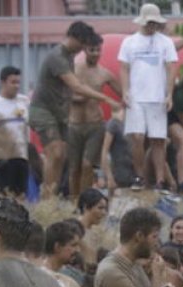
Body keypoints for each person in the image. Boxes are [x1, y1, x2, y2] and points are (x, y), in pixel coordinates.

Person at [29, 21, 121, 199]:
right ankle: (46, 198)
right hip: (43, 110)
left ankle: (53, 196)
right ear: (75, 38)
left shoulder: (69, 56)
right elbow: (76, 86)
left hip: (60, 114)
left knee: (62, 156)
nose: (84, 48)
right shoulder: (57, 57)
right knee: (55, 152)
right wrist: (105, 98)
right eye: (84, 44)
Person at [118, 4, 179, 191]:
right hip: (136, 97)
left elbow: (171, 67)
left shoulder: (165, 42)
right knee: (137, 137)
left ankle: (160, 180)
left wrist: (169, 94)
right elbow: (124, 67)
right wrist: (125, 91)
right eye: (150, 22)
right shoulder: (129, 42)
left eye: (155, 22)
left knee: (158, 140)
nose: (153, 26)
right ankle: (139, 176)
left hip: (157, 97)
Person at [67, 32, 121, 199]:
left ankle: (85, 200)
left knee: (87, 164)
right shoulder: (73, 69)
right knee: (74, 167)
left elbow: (123, 93)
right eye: (92, 50)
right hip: (74, 124)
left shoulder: (104, 73)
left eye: (98, 50)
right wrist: (80, 97)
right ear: (85, 50)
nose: (96, 54)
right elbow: (63, 93)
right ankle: (74, 200)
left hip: (95, 124)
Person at [0, 66, 30, 199]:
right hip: (2, 158)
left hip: (21, 157)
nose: (16, 86)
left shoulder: (24, 101)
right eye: (13, 82)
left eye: (18, 82)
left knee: (20, 197)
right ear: (3, 82)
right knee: (3, 197)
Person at [75, 188, 109, 268]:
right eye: (100, 208)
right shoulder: (72, 230)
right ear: (86, 207)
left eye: (105, 209)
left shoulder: (95, 235)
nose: (104, 213)